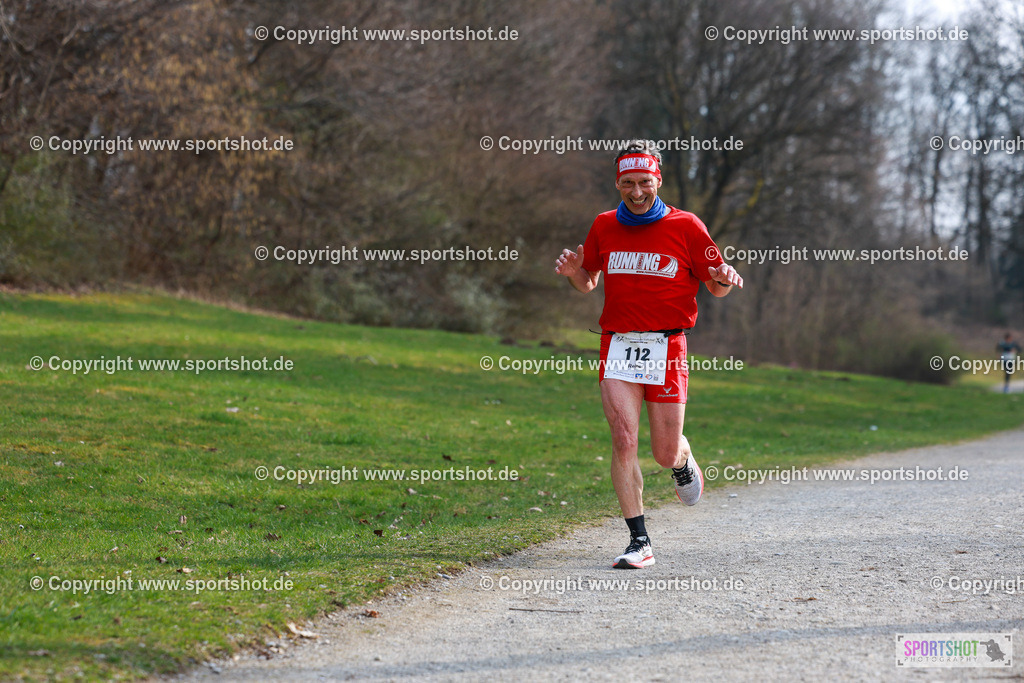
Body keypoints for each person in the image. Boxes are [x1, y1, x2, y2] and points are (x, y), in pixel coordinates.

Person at [554, 139, 742, 568]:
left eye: (644, 182)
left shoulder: (688, 227)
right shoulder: (603, 225)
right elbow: (588, 282)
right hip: (618, 343)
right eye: (627, 184)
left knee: (662, 451)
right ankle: (640, 541)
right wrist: (573, 273)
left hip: (668, 344)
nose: (636, 192)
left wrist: (725, 278)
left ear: (657, 179)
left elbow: (715, 285)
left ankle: (682, 458)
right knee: (623, 439)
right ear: (617, 183)